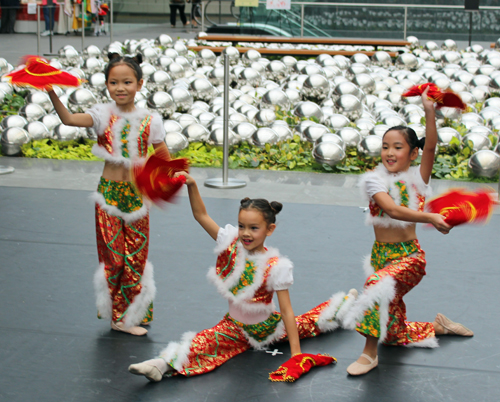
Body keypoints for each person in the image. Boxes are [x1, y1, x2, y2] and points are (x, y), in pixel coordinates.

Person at [128, 175, 358, 381]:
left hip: (268, 327)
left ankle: (346, 304)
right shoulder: (229, 243)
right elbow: (201, 215)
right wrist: (192, 184)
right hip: (235, 327)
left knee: (309, 323)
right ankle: (160, 365)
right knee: (206, 340)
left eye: (254, 228)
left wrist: (296, 354)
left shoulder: (277, 266)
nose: (245, 233)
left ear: (269, 230)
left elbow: (287, 311)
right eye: (241, 226)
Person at [342, 87, 474, 376]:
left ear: (412, 153)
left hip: (409, 257)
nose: (390, 152)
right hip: (382, 256)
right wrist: (430, 216)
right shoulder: (374, 182)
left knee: (377, 286)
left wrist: (429, 110)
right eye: (385, 146)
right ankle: (438, 326)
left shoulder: (417, 179)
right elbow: (393, 210)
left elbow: (430, 147)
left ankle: (368, 354)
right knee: (393, 334)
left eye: (398, 147)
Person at [47, 53, 170, 336]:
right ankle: (120, 318)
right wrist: (52, 92)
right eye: (114, 82)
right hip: (109, 196)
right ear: (106, 85)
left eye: (127, 82)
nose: (120, 87)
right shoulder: (101, 115)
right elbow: (67, 119)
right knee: (114, 258)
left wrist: (174, 174)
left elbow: (161, 153)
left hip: (138, 197)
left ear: (139, 84)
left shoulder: (151, 119)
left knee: (136, 258)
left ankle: (135, 311)